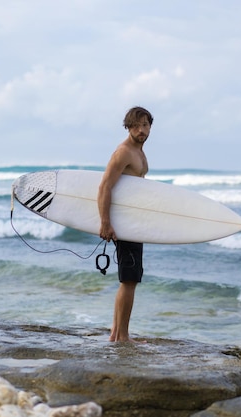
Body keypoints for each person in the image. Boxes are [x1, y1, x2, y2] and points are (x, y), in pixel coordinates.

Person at [98, 106, 153, 342]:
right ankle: (122, 336)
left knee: (130, 279)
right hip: (123, 225)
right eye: (137, 126)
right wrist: (105, 223)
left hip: (133, 223)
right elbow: (104, 187)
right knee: (129, 280)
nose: (142, 130)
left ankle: (116, 333)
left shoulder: (139, 152)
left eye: (146, 125)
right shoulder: (124, 152)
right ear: (128, 127)